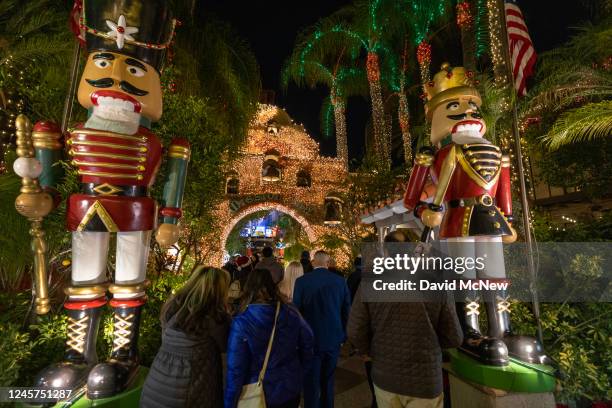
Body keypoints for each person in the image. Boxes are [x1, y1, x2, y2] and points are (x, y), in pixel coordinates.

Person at [348, 279, 463, 408]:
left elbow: (355, 330)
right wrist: (431, 342)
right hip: (425, 379)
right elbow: (454, 337)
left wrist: (368, 351)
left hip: (386, 375)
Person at [141, 266, 231, 408]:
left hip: (155, 386)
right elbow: (227, 355)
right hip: (189, 392)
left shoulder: (172, 308)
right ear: (219, 291)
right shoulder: (216, 319)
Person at [225, 268, 314, 408]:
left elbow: (236, 369)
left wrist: (230, 402)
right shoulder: (291, 312)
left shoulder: (242, 322)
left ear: (248, 288)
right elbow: (308, 342)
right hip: (289, 387)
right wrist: (299, 372)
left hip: (258, 391)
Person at [293, 250, 351, 408]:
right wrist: (344, 335)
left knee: (311, 382)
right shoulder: (340, 281)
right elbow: (347, 310)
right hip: (333, 338)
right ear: (328, 263)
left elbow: (296, 312)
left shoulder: (302, 282)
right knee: (328, 380)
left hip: (310, 339)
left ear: (313, 262)